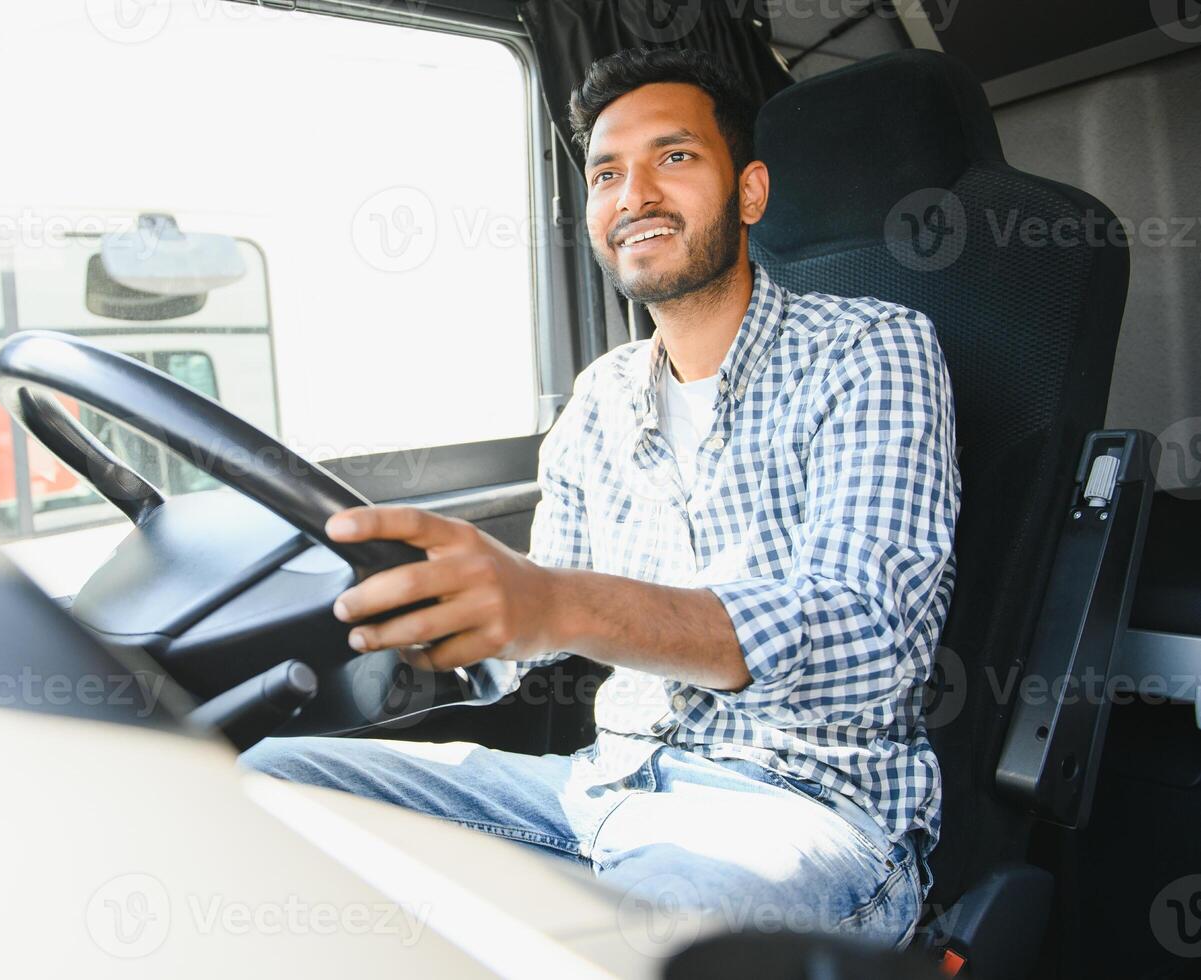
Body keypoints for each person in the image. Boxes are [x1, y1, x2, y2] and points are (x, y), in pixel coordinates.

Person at [242, 46, 959, 949]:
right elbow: (534, 641)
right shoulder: (600, 395)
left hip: (804, 805)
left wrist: (555, 602)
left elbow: (870, 639)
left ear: (749, 191)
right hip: (601, 785)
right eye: (607, 173)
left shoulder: (870, 348)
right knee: (259, 786)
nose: (635, 195)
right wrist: (432, 613)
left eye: (675, 157)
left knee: (622, 945)